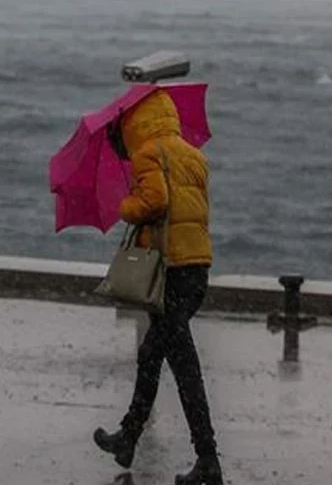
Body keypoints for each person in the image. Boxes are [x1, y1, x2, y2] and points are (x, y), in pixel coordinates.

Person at [94, 89, 223, 485]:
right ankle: (128, 437)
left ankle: (208, 461)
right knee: (151, 354)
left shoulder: (148, 153)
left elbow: (155, 201)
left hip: (170, 272)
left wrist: (126, 206)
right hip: (196, 268)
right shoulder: (193, 155)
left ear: (136, 123)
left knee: (185, 369)